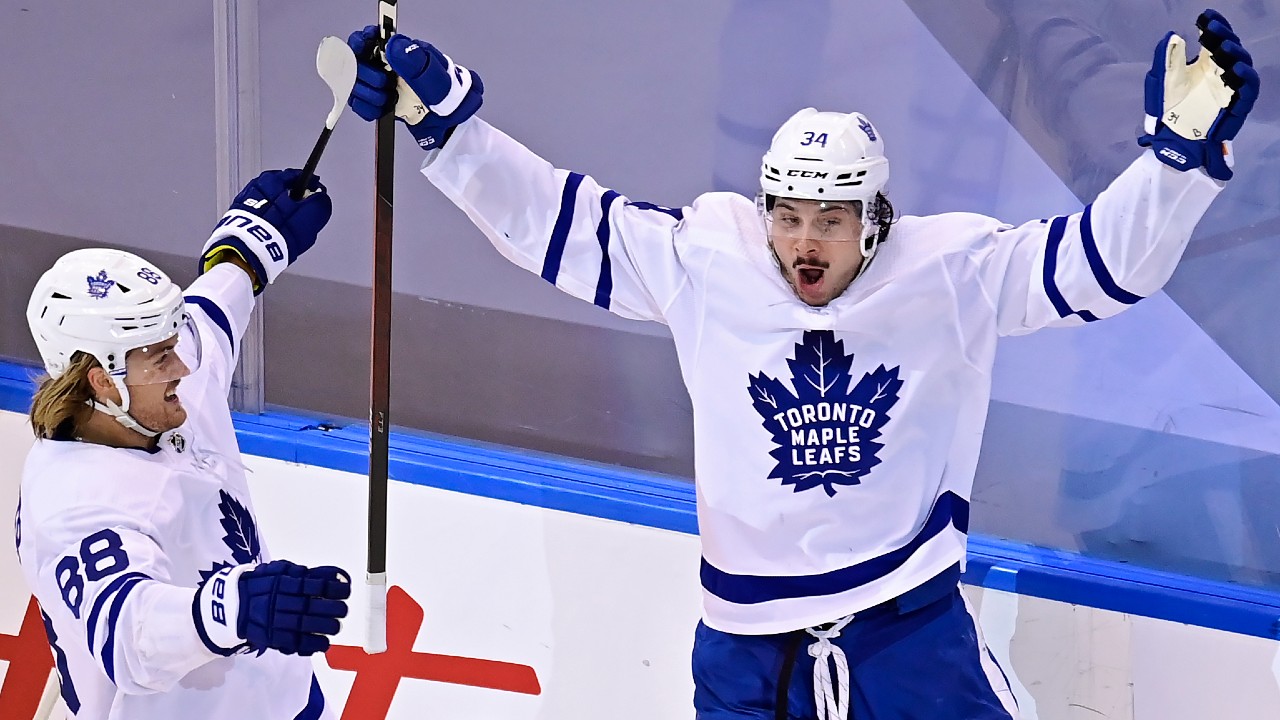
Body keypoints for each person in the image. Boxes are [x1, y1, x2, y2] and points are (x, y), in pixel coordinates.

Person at [344, 8, 1257, 720]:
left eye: (830, 221)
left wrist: (1176, 166)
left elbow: (1103, 267)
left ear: (873, 216)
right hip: (745, 646)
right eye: (788, 217)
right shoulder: (711, 256)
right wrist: (449, 128)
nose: (805, 244)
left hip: (908, 630)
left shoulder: (951, 271)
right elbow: (562, 225)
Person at [16, 169, 351, 719]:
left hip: (283, 704)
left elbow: (211, 315)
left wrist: (249, 242)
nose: (186, 365)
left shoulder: (149, 388)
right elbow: (130, 638)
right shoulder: (72, 502)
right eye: (162, 355)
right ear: (102, 379)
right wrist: (234, 609)